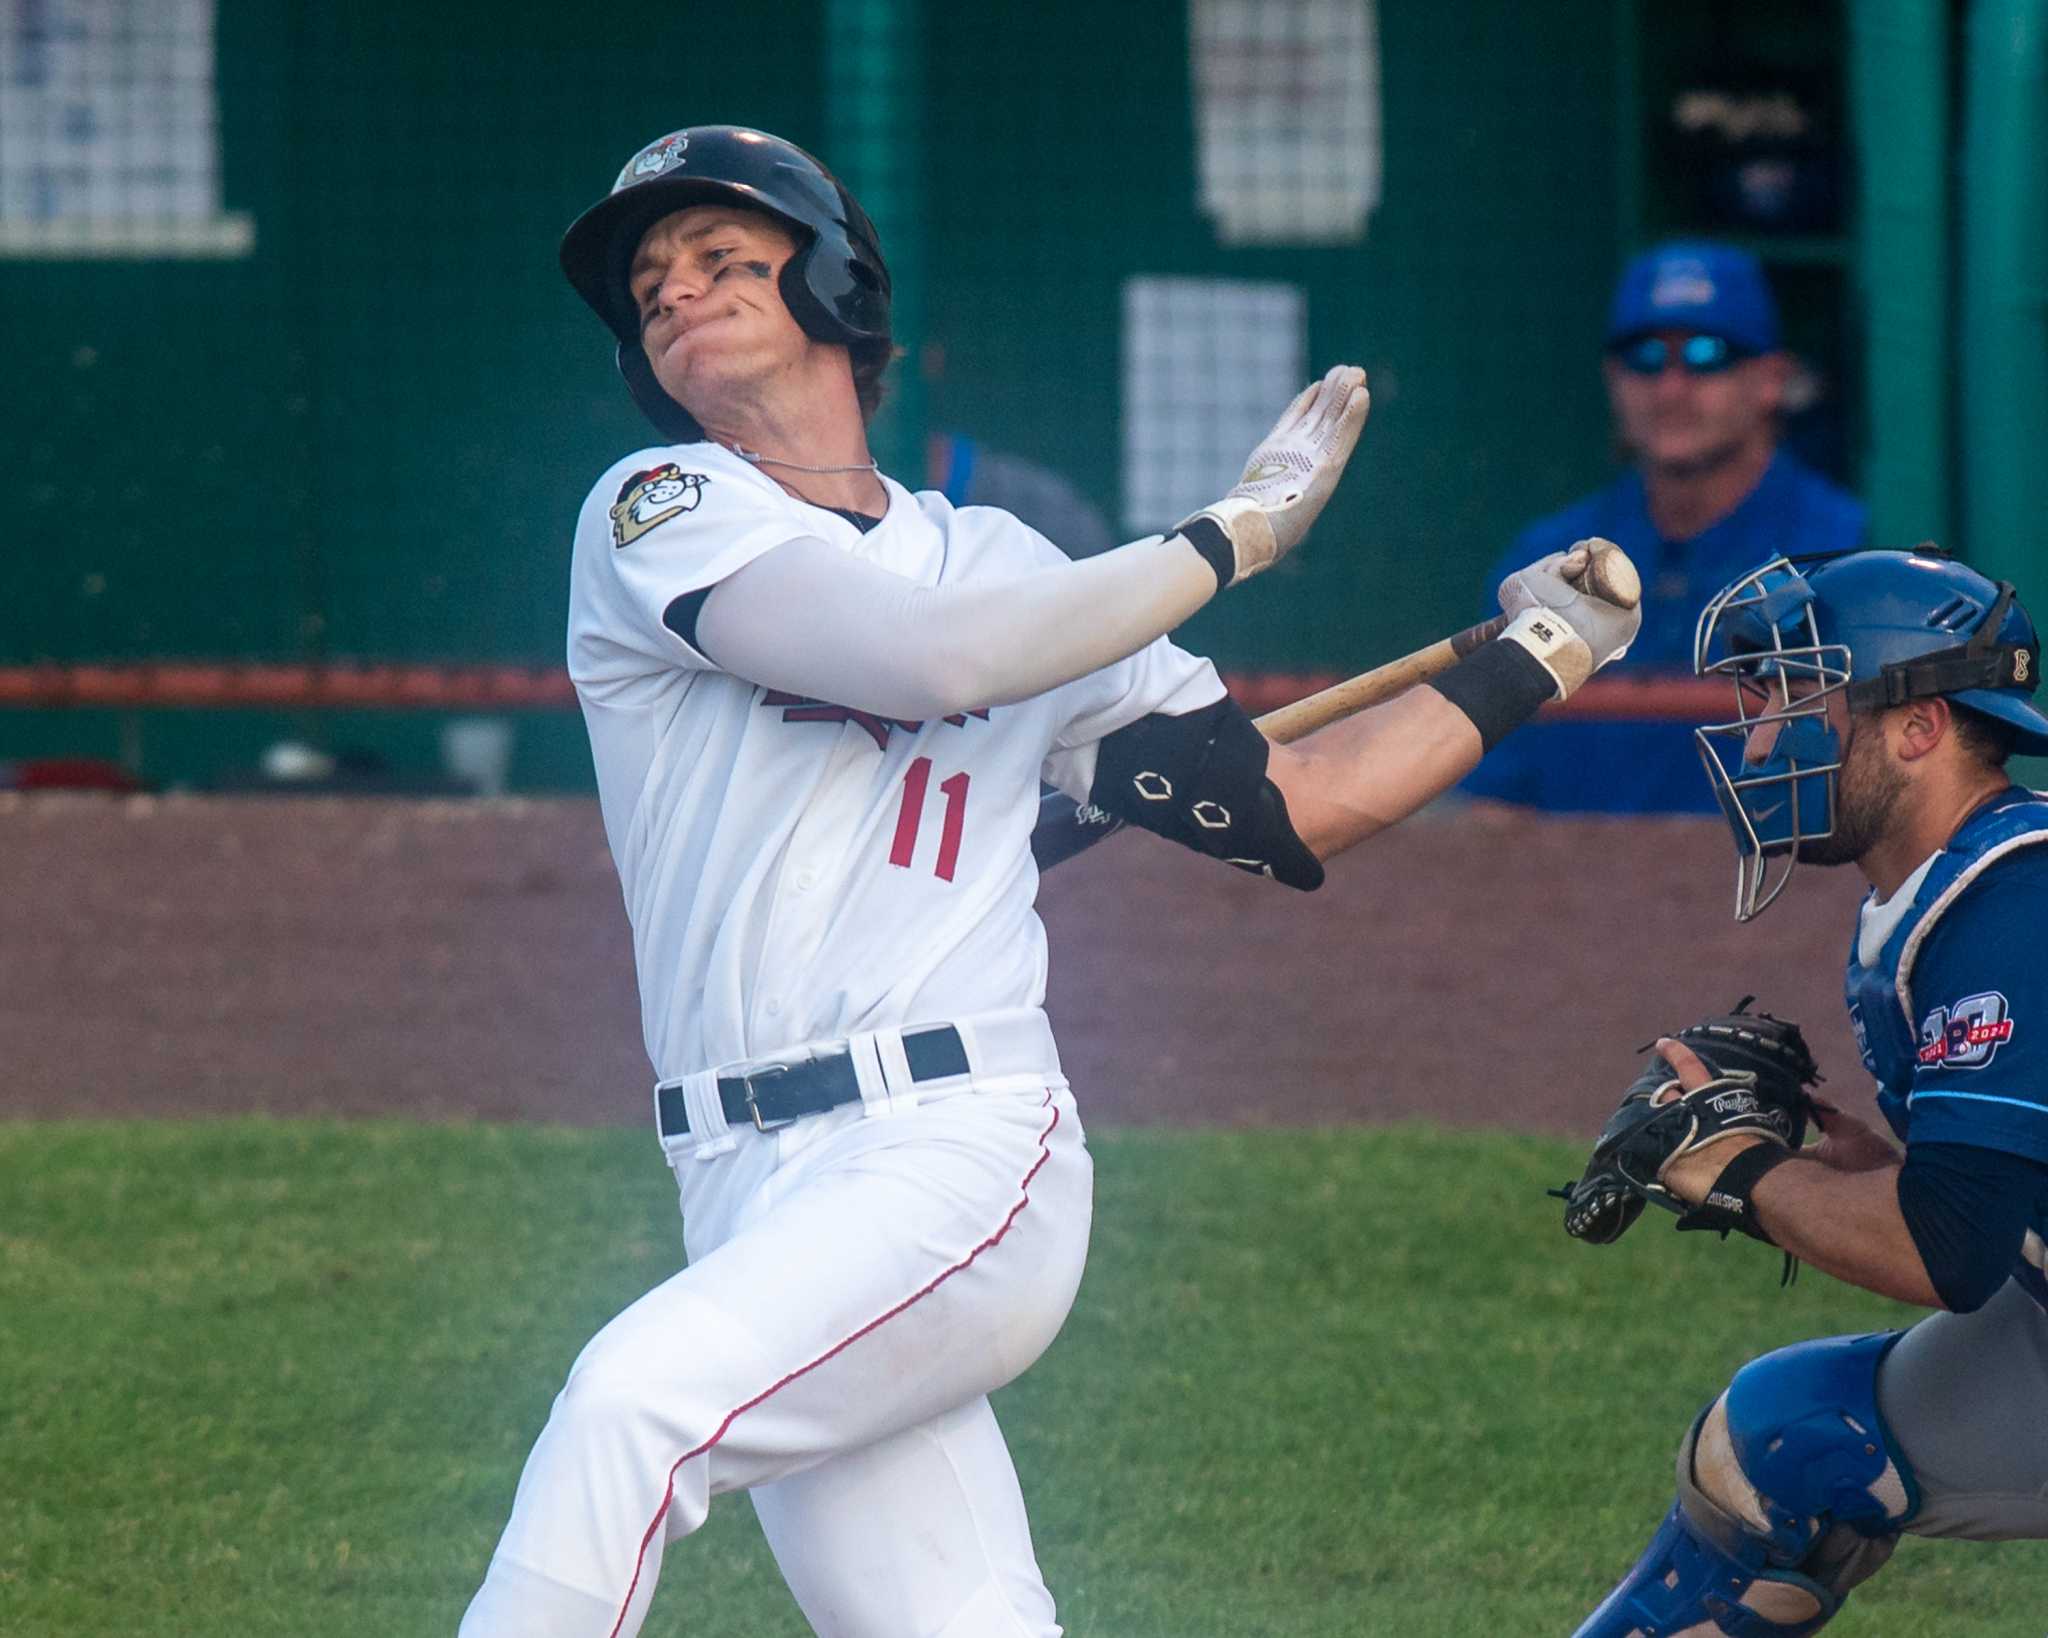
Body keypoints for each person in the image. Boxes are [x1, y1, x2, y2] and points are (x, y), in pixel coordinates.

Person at [458, 124, 1640, 1638]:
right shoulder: (659, 509)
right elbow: (932, 659)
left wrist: (1545, 653)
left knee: (630, 1406)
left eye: (720, 258)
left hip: (950, 1147)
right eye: (648, 281)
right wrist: (1232, 539)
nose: (674, 291)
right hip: (744, 1184)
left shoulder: (1007, 559)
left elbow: (1296, 808)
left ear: (828, 279)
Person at [1574, 547, 2048, 1636]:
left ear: (1917, 726)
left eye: (1799, 703)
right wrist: (1861, 1176)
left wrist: (1736, 1169)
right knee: (1783, 1444)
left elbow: (1947, 1252)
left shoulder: (2008, 907)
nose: (1758, 739)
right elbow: (1983, 1217)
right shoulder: (1947, 890)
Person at [1462, 240, 1867, 813]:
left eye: (1707, 354)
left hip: (1783, 894)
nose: (1671, 388)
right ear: (1612, 378)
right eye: (1646, 358)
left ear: (1771, 379)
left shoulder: (1846, 555)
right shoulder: (1545, 563)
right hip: (1569, 896)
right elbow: (1493, 809)